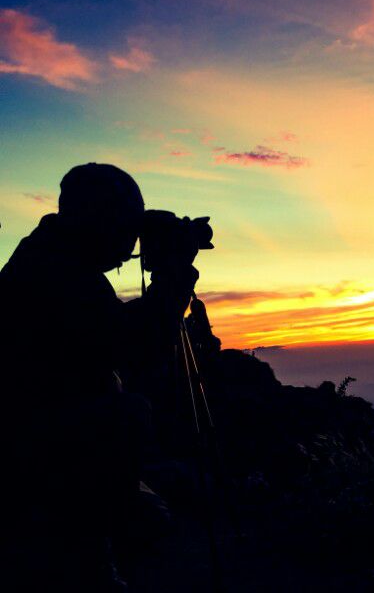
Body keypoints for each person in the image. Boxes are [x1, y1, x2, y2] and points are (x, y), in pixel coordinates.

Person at [0, 163, 199, 591]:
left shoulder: (50, 256)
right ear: (98, 220)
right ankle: (87, 558)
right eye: (128, 226)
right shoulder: (57, 271)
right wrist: (174, 277)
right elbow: (133, 347)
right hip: (25, 441)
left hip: (33, 426)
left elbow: (104, 331)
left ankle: (118, 505)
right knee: (127, 413)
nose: (130, 242)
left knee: (159, 493)